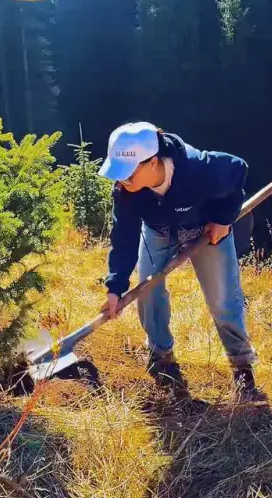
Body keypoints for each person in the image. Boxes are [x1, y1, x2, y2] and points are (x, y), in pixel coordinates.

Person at [99, 122, 259, 399]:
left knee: (223, 298)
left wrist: (223, 219)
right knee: (148, 293)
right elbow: (123, 235)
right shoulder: (125, 190)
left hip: (205, 230)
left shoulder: (197, 167)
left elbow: (237, 169)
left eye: (128, 173)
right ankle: (161, 357)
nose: (122, 180)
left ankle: (242, 365)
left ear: (151, 163)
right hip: (157, 230)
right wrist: (115, 287)